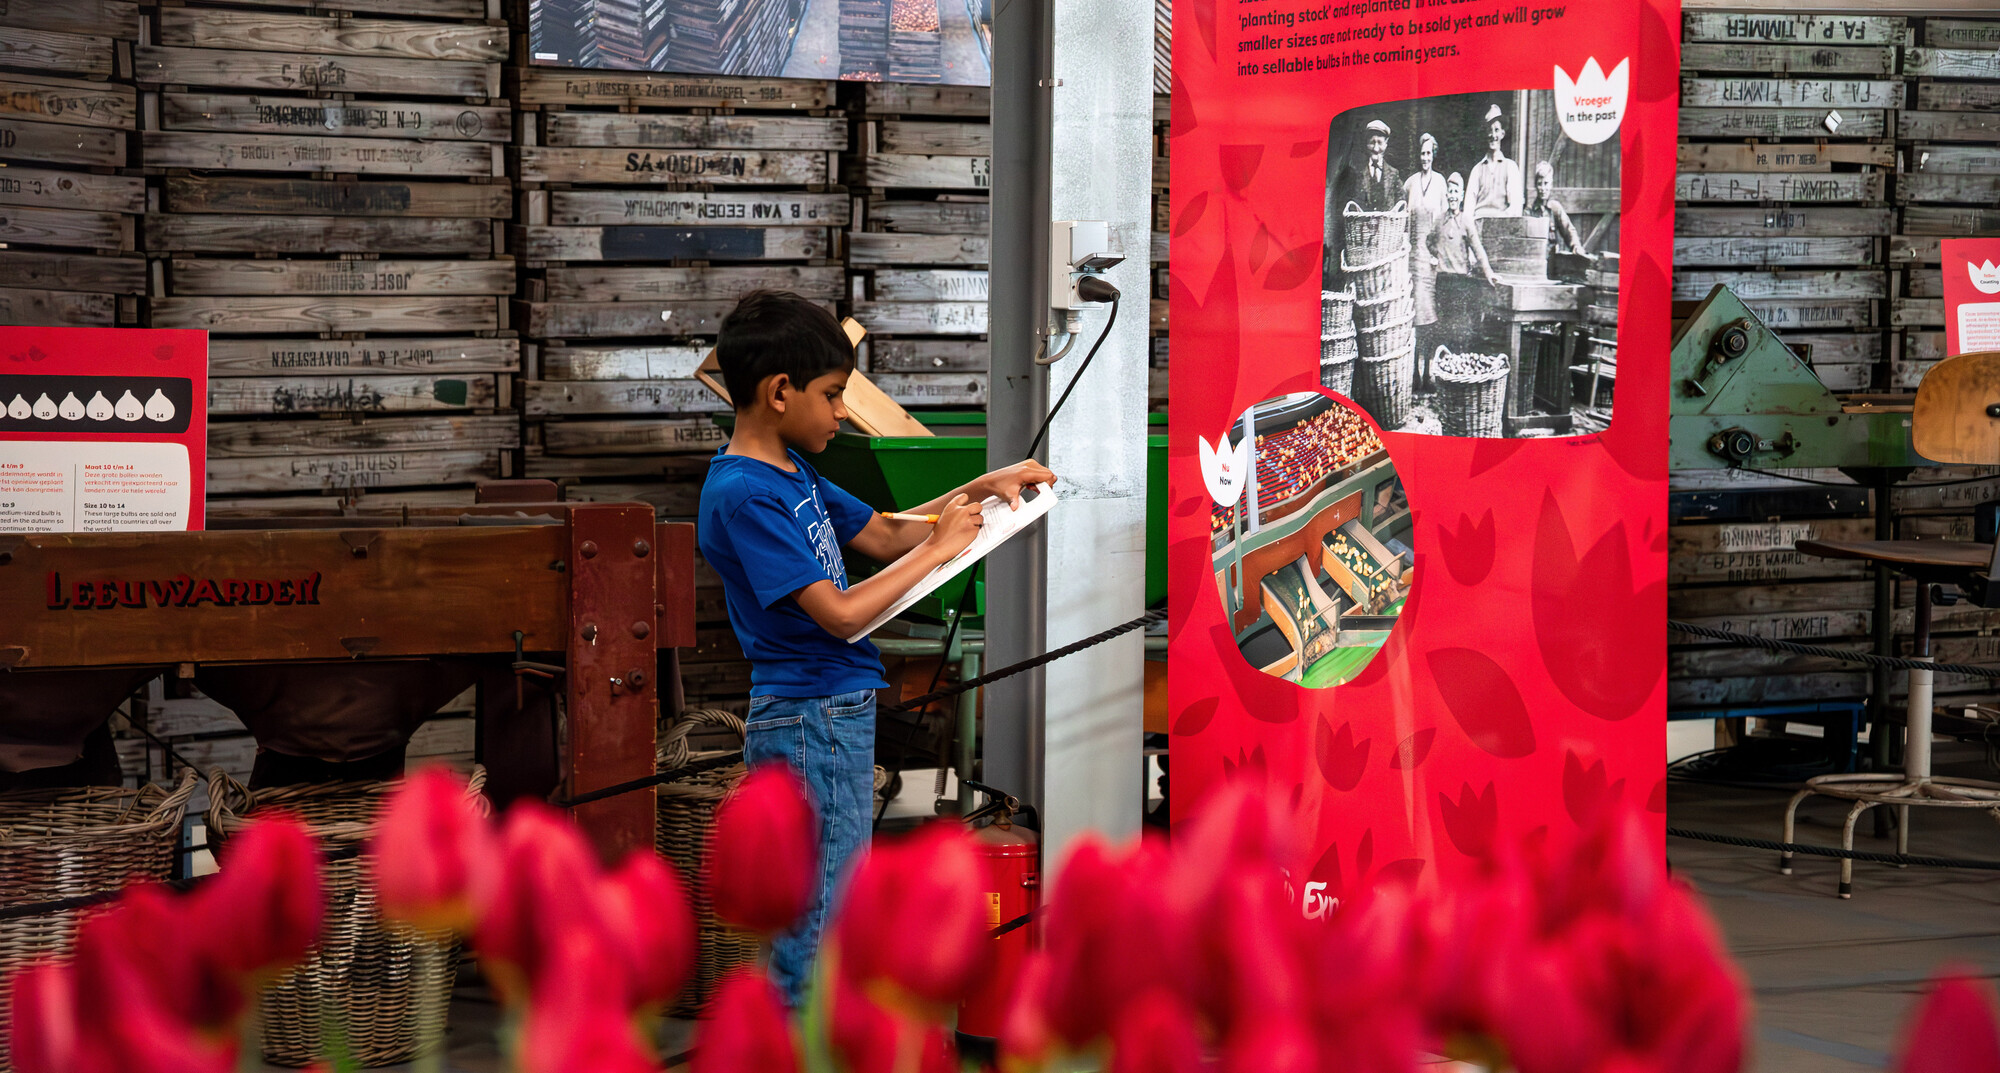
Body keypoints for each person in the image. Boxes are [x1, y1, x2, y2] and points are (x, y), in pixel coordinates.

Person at [697, 290, 1055, 1006]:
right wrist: (944, 548)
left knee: (834, 909)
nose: (839, 413)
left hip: (831, 713)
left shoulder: (791, 472)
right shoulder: (744, 493)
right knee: (819, 924)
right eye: (833, 396)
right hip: (810, 717)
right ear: (778, 392)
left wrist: (981, 492)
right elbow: (838, 612)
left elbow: (887, 533)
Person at [1403, 133, 1447, 387]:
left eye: (1429, 153)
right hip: (1413, 259)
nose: (1425, 158)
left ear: (1434, 155)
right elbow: (1404, 223)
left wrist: (1436, 256)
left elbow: (1440, 225)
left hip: (1431, 260)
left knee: (1430, 318)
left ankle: (1428, 372)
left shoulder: (1440, 182)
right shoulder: (1410, 184)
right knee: (1415, 319)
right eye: (1422, 153)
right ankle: (1414, 374)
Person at [1432, 173, 1500, 287]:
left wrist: (1489, 272)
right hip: (1442, 278)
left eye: (1456, 192)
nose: (1453, 196)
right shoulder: (1439, 220)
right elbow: (1430, 241)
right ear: (1447, 195)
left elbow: (1477, 248)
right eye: (1451, 192)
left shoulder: (1466, 221)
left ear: (1462, 196)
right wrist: (1440, 254)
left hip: (1461, 279)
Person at [1527, 160, 1591, 260]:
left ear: (1551, 185)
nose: (1543, 188)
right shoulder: (1529, 210)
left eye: (1546, 183)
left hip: (1552, 259)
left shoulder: (1554, 208)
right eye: (1539, 184)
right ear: (1535, 186)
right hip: (1534, 258)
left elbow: (1568, 229)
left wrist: (1576, 246)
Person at [1467, 103, 1522, 219]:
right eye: (1489, 131)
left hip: (1501, 226)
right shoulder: (1477, 170)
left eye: (1496, 130)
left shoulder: (1510, 167)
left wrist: (1499, 223)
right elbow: (1468, 208)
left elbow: (1515, 207)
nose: (1493, 135)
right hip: (1478, 226)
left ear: (1502, 134)